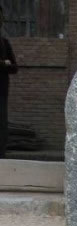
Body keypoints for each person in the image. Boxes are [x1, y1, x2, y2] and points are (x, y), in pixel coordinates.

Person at [0, 5, 17, 158]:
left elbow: (14, 67)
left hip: (2, 91)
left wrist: (7, 65)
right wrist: (3, 63)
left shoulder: (5, 43)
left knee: (1, 123)